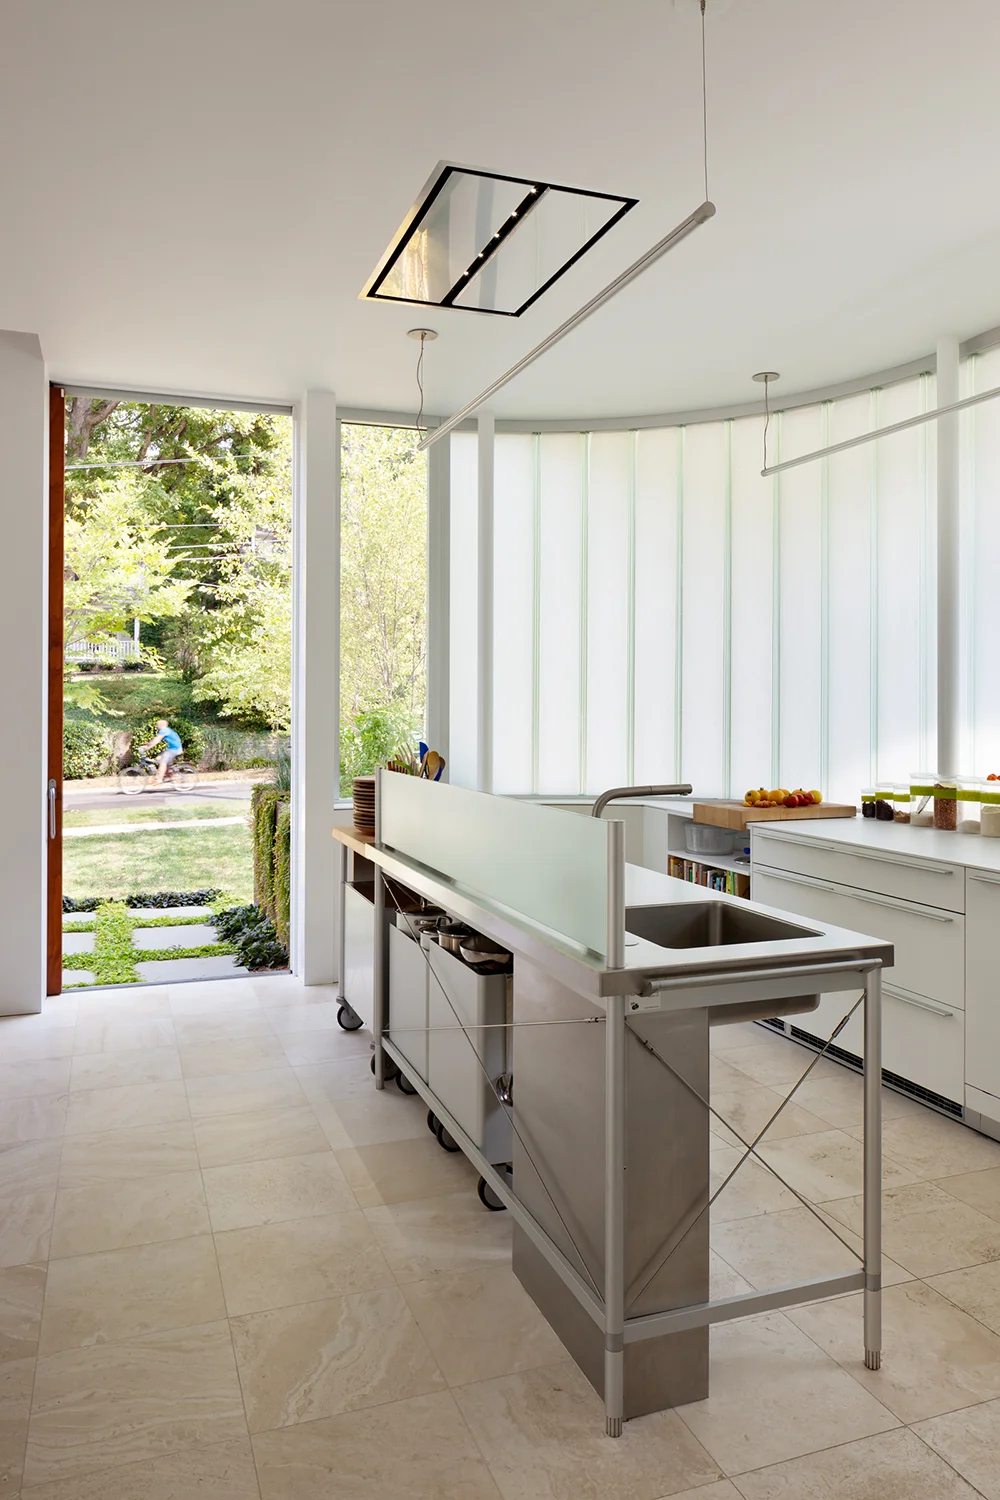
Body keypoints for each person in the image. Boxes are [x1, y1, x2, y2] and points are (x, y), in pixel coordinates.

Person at [137, 719, 183, 786]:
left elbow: (157, 740)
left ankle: (159, 780)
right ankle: (168, 774)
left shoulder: (164, 730)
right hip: (172, 748)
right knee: (158, 758)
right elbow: (155, 740)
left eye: (157, 725)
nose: (157, 726)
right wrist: (148, 744)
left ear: (161, 725)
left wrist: (148, 747)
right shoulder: (166, 730)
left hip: (175, 749)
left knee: (162, 762)